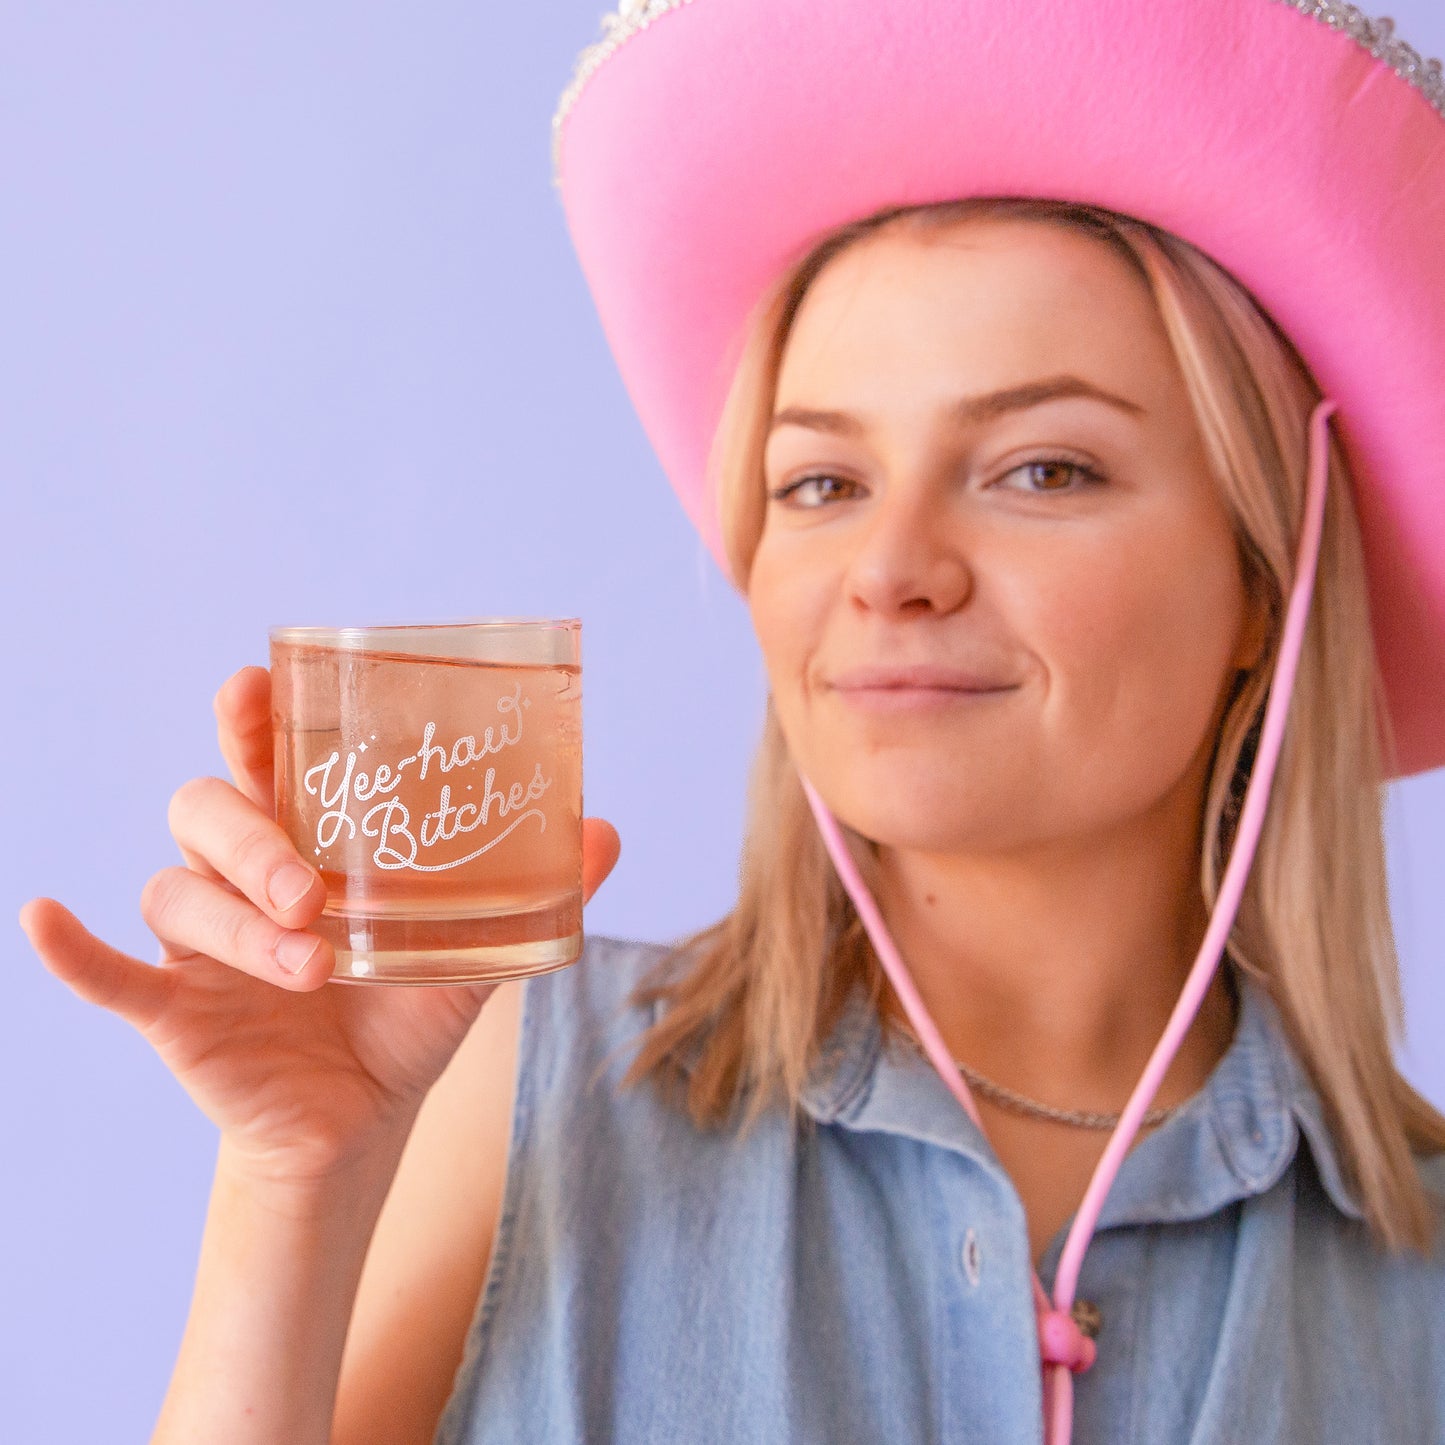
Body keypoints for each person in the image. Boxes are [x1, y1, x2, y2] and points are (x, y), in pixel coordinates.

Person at [18, 1, 1445, 1442]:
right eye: (822, 482)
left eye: (1041, 469)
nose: (890, 570)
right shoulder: (512, 1085)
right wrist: (293, 1183)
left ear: (1266, 579)